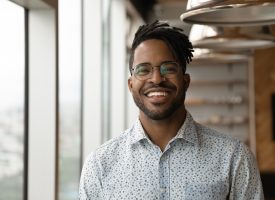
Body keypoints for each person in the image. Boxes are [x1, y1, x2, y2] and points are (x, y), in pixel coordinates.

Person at [79, 20, 264, 200]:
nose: (157, 79)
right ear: (130, 84)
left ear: (186, 81)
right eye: (143, 70)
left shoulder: (234, 157)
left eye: (168, 68)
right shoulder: (99, 164)